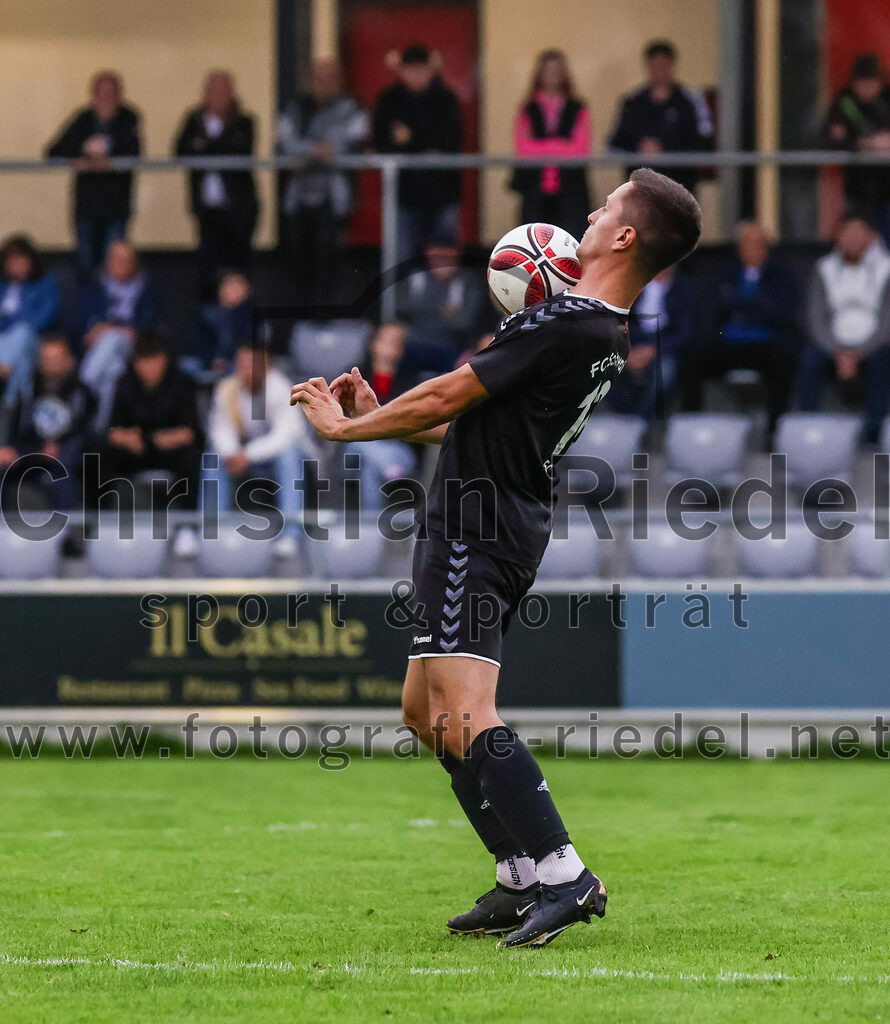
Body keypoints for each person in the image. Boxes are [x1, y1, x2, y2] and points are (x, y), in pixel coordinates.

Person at [291, 167, 702, 947]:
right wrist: (384, 417)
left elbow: (449, 395)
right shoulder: (594, 328)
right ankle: (519, 876)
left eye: (607, 204)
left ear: (624, 236)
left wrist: (342, 431)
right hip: (490, 519)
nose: (591, 208)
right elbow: (467, 425)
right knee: (425, 713)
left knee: (467, 714)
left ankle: (564, 873)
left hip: (475, 530)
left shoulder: (569, 322)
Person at [677, 221, 799, 438]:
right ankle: (691, 428)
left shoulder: (783, 275)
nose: (751, 248)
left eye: (757, 243)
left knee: (784, 362)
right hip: (728, 341)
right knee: (692, 357)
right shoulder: (725, 274)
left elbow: (780, 313)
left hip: (766, 344)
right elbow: (715, 309)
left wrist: (743, 308)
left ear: (766, 246)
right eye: (746, 243)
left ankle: (775, 434)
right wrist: (753, 308)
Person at [203, 343, 315, 557]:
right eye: (242, 364)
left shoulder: (281, 387)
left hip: (286, 459)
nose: (247, 369)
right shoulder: (228, 388)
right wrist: (232, 453)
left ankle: (290, 534)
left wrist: (247, 455)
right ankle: (213, 531)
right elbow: (219, 428)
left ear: (266, 366)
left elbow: (287, 436)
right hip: (245, 458)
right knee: (213, 456)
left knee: (289, 456)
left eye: (253, 364)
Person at [277, 57, 369, 302]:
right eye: (319, 79)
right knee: (298, 261)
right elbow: (284, 143)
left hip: (335, 198)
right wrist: (317, 151)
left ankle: (326, 321)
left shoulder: (352, 107)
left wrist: (313, 152)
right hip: (297, 199)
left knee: (330, 259)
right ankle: (301, 323)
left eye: (330, 79)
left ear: (340, 81)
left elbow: (356, 142)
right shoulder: (295, 107)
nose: (324, 84)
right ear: (309, 81)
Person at [796, 216, 890, 444]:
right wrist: (837, 352)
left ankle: (872, 434)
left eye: (858, 233)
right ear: (837, 238)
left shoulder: (886, 268)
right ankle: (808, 432)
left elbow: (887, 321)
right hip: (832, 344)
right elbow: (815, 318)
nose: (852, 240)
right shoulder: (824, 268)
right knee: (809, 360)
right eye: (847, 234)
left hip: (874, 344)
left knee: (883, 361)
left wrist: (860, 353)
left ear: (870, 237)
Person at [46, 71, 141, 280]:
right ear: (93, 95)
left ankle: (112, 311)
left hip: (117, 205)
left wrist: (106, 157)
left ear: (119, 95)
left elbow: (133, 151)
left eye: (112, 92)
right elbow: (53, 150)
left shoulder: (128, 117)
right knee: (85, 263)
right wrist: (81, 152)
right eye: (102, 92)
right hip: (86, 205)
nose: (107, 97)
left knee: (114, 265)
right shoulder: (84, 119)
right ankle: (88, 310)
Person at [373, 45, 463, 263]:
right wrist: (427, 142)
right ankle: (403, 298)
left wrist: (411, 137)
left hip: (443, 193)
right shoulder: (388, 99)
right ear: (401, 71)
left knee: (442, 261)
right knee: (401, 259)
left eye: (421, 69)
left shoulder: (446, 99)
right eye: (410, 69)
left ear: (431, 70)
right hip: (403, 193)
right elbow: (382, 142)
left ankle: (444, 299)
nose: (416, 74)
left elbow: (452, 141)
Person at [174, 71, 259, 283]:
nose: (218, 96)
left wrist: (204, 146)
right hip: (206, 209)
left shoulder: (244, 121)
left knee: (238, 269)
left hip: (238, 209)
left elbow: (241, 152)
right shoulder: (193, 120)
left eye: (223, 91)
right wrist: (218, 146)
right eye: (213, 91)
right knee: (208, 268)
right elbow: (180, 151)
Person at [0, 335, 96, 511]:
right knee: (3, 460)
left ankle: (67, 530)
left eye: (56, 359)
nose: (51, 364)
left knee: (64, 461)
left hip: (68, 448)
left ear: (68, 361)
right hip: (36, 448)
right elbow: (20, 430)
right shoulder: (28, 391)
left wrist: (56, 445)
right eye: (46, 359)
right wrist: (20, 450)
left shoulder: (81, 392)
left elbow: (83, 429)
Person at [105, 331, 201, 503]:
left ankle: (187, 521)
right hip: (136, 450)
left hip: (170, 451)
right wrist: (125, 437)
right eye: (143, 360)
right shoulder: (124, 383)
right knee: (98, 454)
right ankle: (99, 518)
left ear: (164, 359)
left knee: (192, 457)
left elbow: (191, 431)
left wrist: (167, 438)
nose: (149, 367)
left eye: (154, 359)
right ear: (135, 362)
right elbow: (112, 429)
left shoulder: (183, 383)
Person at [609, 40, 713, 196]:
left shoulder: (690, 101)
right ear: (647, 66)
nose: (659, 71)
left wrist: (666, 151)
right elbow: (615, 144)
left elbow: (705, 142)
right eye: (654, 66)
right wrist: (640, 149)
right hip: (640, 192)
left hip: (680, 189)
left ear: (672, 66)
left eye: (663, 66)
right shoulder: (632, 102)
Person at [77, 241, 159, 430]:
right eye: (116, 259)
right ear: (107, 261)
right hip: (99, 350)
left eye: (126, 260)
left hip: (134, 345)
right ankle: (102, 431)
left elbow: (150, 327)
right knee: (113, 373)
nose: (120, 264)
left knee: (113, 339)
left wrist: (112, 329)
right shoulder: (94, 286)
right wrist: (95, 332)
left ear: (135, 263)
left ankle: (84, 385)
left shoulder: (148, 289)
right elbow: (81, 324)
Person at [511, 50, 591, 236]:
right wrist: (560, 145)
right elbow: (523, 149)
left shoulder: (578, 107)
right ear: (539, 74)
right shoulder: (528, 108)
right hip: (534, 191)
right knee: (534, 244)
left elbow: (580, 150)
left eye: (557, 70)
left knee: (571, 243)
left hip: (571, 191)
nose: (552, 75)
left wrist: (542, 147)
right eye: (547, 70)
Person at [341, 322, 419, 510]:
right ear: (373, 344)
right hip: (356, 445)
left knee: (369, 470)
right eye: (386, 340)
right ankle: (386, 465)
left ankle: (372, 532)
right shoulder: (354, 376)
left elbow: (411, 420)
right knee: (362, 444)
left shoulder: (410, 380)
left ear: (401, 350)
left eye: (397, 342)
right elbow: (343, 417)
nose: (391, 346)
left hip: (398, 448)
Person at [608, 265, 698, 418]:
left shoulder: (685, 288)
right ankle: (620, 417)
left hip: (664, 347)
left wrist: (653, 350)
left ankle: (639, 420)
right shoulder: (629, 286)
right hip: (631, 344)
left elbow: (685, 332)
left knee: (666, 371)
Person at [824, 53, 890, 245]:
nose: (867, 88)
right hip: (858, 190)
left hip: (887, 187)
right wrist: (870, 144)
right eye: (862, 83)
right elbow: (832, 140)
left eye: (872, 82)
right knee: (858, 243)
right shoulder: (844, 101)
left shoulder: (887, 100)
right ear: (854, 82)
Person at [397, 236, 484, 373]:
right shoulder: (416, 278)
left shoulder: (467, 282)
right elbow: (401, 308)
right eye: (437, 254)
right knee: (388, 343)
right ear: (428, 253)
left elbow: (464, 321)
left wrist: (421, 310)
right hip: (414, 345)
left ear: (457, 255)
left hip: (453, 347)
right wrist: (444, 310)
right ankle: (382, 392)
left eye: (447, 254)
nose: (442, 259)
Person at [0, 235, 59, 408]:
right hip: (8, 346)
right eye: (11, 260)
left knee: (21, 332)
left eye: (20, 259)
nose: (15, 264)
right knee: (21, 362)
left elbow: (39, 321)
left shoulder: (45, 284)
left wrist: (6, 316)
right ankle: (11, 408)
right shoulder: (2, 286)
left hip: (34, 342)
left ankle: (3, 367)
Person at [185, 270, 255, 380]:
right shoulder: (205, 313)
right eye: (229, 285)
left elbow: (247, 343)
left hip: (234, 363)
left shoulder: (250, 316)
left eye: (237, 286)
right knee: (186, 364)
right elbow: (198, 341)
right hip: (206, 362)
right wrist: (212, 359)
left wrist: (237, 310)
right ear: (221, 289)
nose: (233, 290)